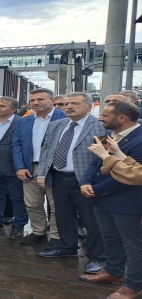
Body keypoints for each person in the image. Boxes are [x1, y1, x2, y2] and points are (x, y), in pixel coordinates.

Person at [36, 92, 107, 275]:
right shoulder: (56, 125)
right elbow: (46, 151)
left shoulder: (100, 126)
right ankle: (67, 247)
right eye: (67, 103)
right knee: (63, 215)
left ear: (89, 106)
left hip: (86, 180)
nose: (69, 106)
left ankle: (97, 256)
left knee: (91, 219)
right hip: (59, 177)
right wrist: (42, 173)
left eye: (75, 103)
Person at [79, 101, 142, 299]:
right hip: (103, 200)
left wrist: (97, 190)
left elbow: (131, 176)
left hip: (127, 202)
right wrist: (86, 181)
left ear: (122, 117)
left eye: (105, 115)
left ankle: (133, 285)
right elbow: (97, 161)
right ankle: (114, 272)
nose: (100, 118)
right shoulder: (113, 136)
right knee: (111, 238)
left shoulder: (140, 139)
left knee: (134, 245)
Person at [12, 88, 66, 247]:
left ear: (52, 100)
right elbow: (17, 144)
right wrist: (19, 167)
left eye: (40, 99)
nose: (36, 103)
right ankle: (38, 232)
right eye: (33, 100)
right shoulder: (25, 120)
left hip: (55, 169)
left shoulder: (64, 118)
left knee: (56, 205)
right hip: (30, 168)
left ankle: (56, 236)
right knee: (32, 203)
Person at [0, 96, 27, 239]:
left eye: (2, 106)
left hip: (14, 167)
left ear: (13, 109)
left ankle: (18, 225)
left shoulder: (22, 122)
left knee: (17, 197)